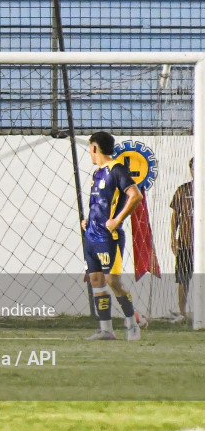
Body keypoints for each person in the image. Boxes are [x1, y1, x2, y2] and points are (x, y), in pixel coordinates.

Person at [82, 132, 144, 341]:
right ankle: (106, 330)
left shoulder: (117, 169)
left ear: (95, 148)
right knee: (96, 280)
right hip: (91, 236)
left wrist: (116, 221)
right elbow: (100, 204)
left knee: (112, 281)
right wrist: (88, 221)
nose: (90, 152)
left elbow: (135, 195)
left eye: (90, 148)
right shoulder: (97, 173)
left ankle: (132, 324)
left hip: (109, 237)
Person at [170, 157, 194, 322]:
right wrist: (173, 237)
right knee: (183, 279)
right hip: (186, 242)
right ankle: (183, 313)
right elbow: (175, 215)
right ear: (191, 170)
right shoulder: (183, 190)